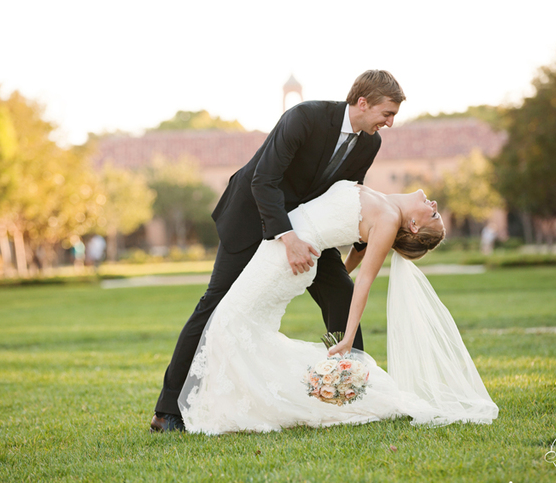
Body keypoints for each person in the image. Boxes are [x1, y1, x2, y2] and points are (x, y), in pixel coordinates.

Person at [151, 70, 405, 432]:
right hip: (253, 215)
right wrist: (287, 237)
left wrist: (356, 249)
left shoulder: (370, 144)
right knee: (214, 303)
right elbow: (263, 179)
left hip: (311, 226)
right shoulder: (304, 117)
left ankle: (349, 391)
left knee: (342, 296)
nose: (390, 123)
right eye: (387, 113)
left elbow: (347, 195)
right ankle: (167, 411)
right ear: (363, 103)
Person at [179, 181, 499, 434]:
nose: (435, 205)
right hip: (287, 248)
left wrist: (347, 339)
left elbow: (364, 283)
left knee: (229, 321)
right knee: (234, 323)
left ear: (413, 226)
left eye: (433, 215)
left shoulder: (388, 218)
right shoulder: (384, 205)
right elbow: (357, 253)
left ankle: (261, 402)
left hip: (289, 255)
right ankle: (250, 399)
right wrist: (331, 273)